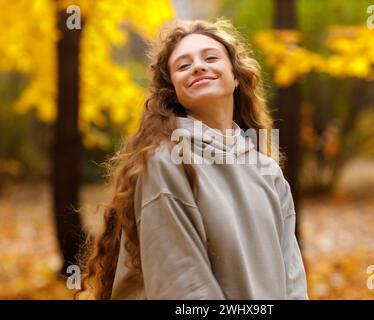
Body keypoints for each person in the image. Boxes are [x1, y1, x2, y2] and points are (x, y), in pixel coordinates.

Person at [77, 19, 308, 300]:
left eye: (210, 57)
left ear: (236, 77)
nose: (198, 66)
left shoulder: (267, 169)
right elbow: (183, 285)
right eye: (183, 65)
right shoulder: (166, 162)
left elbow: (292, 274)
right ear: (173, 89)